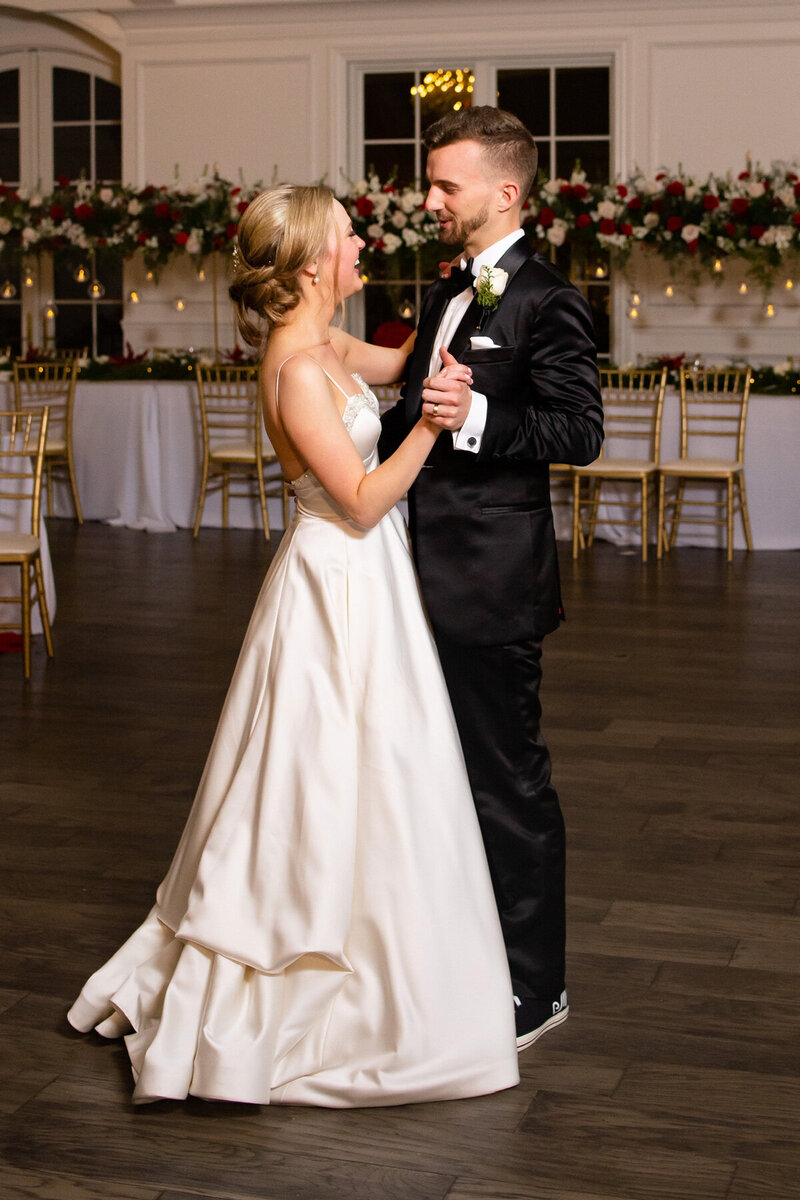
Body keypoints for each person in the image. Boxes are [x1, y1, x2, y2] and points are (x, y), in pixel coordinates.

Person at [67, 184, 520, 1107]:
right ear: (315, 262)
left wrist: (463, 303)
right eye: (351, 240)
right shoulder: (297, 368)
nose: (362, 249)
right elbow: (360, 499)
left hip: (367, 576)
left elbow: (392, 369)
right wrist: (435, 429)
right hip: (335, 575)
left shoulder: (328, 346)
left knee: (380, 761)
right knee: (316, 767)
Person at [380, 107, 604, 1052]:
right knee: (428, 777)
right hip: (406, 575)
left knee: (506, 784)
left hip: (491, 584)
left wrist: (476, 421)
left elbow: (577, 434)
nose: (428, 200)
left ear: (504, 194)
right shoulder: (444, 293)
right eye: (430, 184)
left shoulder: (549, 300)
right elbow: (407, 413)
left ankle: (534, 986)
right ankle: (449, 954)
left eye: (445, 186)